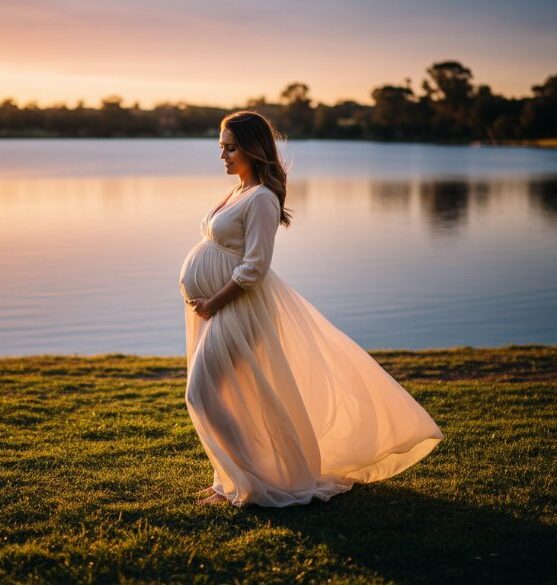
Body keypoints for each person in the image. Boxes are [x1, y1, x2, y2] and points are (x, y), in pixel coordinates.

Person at [178, 111, 444, 507]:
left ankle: (247, 481)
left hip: (237, 308)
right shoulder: (237, 192)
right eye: (221, 147)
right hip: (216, 308)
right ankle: (228, 482)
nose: (223, 155)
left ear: (253, 148)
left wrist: (213, 303)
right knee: (227, 395)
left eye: (231, 148)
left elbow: (254, 267)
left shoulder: (263, 199)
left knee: (202, 393)